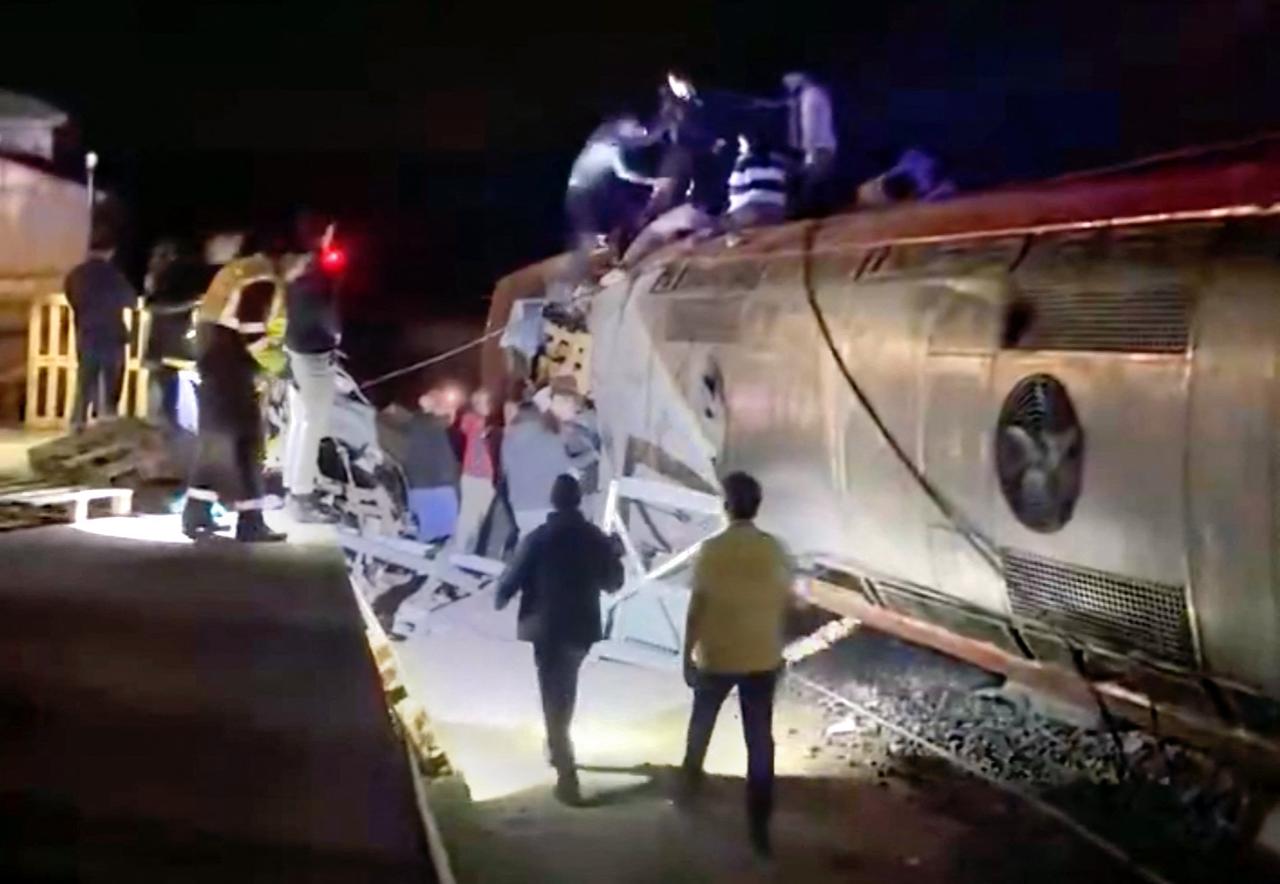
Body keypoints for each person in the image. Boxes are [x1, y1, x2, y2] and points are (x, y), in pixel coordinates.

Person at [680, 471, 795, 857]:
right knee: (759, 739)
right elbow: (789, 603)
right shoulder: (776, 550)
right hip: (762, 657)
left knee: (702, 724)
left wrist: (686, 654)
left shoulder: (711, 550)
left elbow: (697, 607)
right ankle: (759, 823)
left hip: (718, 655)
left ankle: (689, 787)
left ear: (726, 506)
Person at [495, 474, 625, 804]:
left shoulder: (539, 537)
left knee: (553, 694)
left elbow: (513, 576)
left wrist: (503, 594)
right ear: (578, 500)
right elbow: (613, 583)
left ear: (553, 501)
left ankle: (566, 774)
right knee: (564, 690)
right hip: (580, 627)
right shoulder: (594, 537)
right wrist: (615, 554)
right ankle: (557, 748)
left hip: (546, 627)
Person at [181, 242, 291, 542]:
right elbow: (252, 329)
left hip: (214, 358)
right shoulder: (262, 278)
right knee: (247, 439)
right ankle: (251, 520)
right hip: (230, 362)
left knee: (217, 437)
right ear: (287, 255)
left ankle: (197, 511)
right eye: (304, 261)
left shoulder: (242, 268)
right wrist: (281, 366)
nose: (302, 269)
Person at [282, 215, 342, 523]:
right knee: (312, 425)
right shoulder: (319, 270)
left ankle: (292, 488)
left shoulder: (294, 266)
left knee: (299, 422)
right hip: (314, 355)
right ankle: (302, 496)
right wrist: (338, 335)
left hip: (292, 350)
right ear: (327, 233)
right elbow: (326, 314)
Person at [63, 238, 136, 433]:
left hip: (86, 333)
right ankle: (106, 419)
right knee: (111, 380)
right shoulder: (115, 275)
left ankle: (78, 421)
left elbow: (71, 297)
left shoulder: (76, 274)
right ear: (110, 251)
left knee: (85, 380)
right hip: (112, 335)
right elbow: (131, 301)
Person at [142, 238, 209, 430]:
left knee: (178, 403)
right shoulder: (156, 279)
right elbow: (154, 306)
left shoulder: (178, 278)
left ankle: (174, 436)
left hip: (177, 348)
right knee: (159, 404)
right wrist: (192, 303)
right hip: (162, 347)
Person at [501, 397, 575, 539]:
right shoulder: (551, 438)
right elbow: (564, 468)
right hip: (546, 502)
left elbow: (505, 468)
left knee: (526, 542)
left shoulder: (509, 439)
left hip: (520, 505)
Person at [404, 389, 461, 544]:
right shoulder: (425, 422)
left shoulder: (417, 424)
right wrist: (447, 411)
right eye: (441, 403)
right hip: (436, 490)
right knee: (439, 542)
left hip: (420, 488)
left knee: (424, 540)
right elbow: (443, 420)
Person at [782, 72, 838, 216]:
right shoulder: (816, 94)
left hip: (818, 146)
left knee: (814, 182)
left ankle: (814, 214)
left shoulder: (810, 97)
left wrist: (809, 150)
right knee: (816, 180)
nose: (787, 84)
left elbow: (810, 125)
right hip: (823, 145)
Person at [453, 388, 498, 554]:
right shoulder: (472, 420)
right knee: (469, 517)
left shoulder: (489, 424)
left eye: (486, 402)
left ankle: (475, 551)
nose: (486, 405)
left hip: (487, 478)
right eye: (481, 402)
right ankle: (460, 550)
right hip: (473, 476)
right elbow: (464, 425)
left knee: (484, 517)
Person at [725, 134, 790, 231]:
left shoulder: (743, 161)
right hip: (777, 209)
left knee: (725, 220)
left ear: (748, 145)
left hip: (752, 211)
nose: (739, 149)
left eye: (741, 145)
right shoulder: (779, 161)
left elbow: (734, 188)